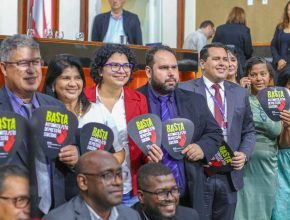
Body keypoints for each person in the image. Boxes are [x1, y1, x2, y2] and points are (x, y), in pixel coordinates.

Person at [137, 45, 223, 218]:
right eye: (163, 68)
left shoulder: (194, 100)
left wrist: (202, 147)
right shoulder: (135, 100)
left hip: (188, 195)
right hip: (148, 199)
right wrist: (142, 153)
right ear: (148, 72)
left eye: (174, 67)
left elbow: (214, 133)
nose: (171, 73)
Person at [0, 34, 79, 216]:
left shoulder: (56, 107)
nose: (32, 70)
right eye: (23, 63)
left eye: (36, 62)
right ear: (4, 68)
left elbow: (71, 153)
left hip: (56, 211)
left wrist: (75, 157)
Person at [179, 43, 256, 220]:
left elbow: (249, 131)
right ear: (203, 63)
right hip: (199, 172)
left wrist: (244, 154)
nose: (223, 63)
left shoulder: (239, 93)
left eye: (226, 59)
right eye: (216, 59)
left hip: (229, 175)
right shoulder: (183, 89)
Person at [84, 44, 163, 207]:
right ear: (100, 70)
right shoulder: (83, 97)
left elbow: (143, 140)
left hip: (127, 188)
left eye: (126, 66)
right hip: (91, 188)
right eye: (114, 65)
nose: (122, 70)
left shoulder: (138, 99)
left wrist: (151, 155)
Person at [234, 57, 290, 220]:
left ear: (270, 77)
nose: (258, 78)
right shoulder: (240, 97)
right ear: (247, 77)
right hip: (243, 166)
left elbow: (283, 144)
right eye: (253, 74)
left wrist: (287, 127)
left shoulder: (279, 100)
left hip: (268, 169)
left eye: (263, 74)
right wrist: (240, 93)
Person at [43, 53, 125, 163]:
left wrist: (94, 165)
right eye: (66, 78)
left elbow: (119, 152)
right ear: (53, 83)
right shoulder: (43, 114)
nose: (73, 84)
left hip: (92, 178)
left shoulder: (99, 111)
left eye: (77, 78)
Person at [44, 150, 141, 219]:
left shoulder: (131, 216)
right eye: (107, 175)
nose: (118, 182)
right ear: (83, 182)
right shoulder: (58, 218)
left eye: (119, 174)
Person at [134, 163, 199, 220]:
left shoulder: (190, 216)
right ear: (141, 196)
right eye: (162, 192)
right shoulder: (129, 217)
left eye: (174, 190)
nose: (170, 198)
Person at [272, 65, 290, 219]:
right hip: (284, 164)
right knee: (281, 208)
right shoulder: (278, 107)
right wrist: (287, 126)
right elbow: (283, 145)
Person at [271, 1, 290, 71]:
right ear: (286, 12)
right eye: (289, 9)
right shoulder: (280, 27)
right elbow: (273, 46)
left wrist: (284, 61)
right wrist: (278, 60)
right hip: (278, 66)